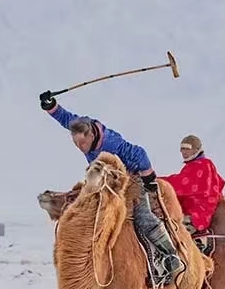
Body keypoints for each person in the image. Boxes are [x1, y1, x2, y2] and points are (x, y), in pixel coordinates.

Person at [39, 90, 184, 279]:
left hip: (132, 180)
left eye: (83, 142)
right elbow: (66, 118)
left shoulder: (111, 144)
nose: (80, 147)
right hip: (105, 181)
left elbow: (139, 153)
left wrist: (149, 179)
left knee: (143, 217)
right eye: (76, 143)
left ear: (91, 135)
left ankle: (172, 257)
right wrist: (51, 106)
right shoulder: (81, 126)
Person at [162, 134, 225, 236]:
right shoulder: (197, 165)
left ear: (197, 149)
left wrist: (157, 181)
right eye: (182, 149)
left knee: (173, 235)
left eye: (187, 149)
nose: (184, 152)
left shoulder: (202, 165)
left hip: (197, 214)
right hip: (195, 211)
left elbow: (182, 183)